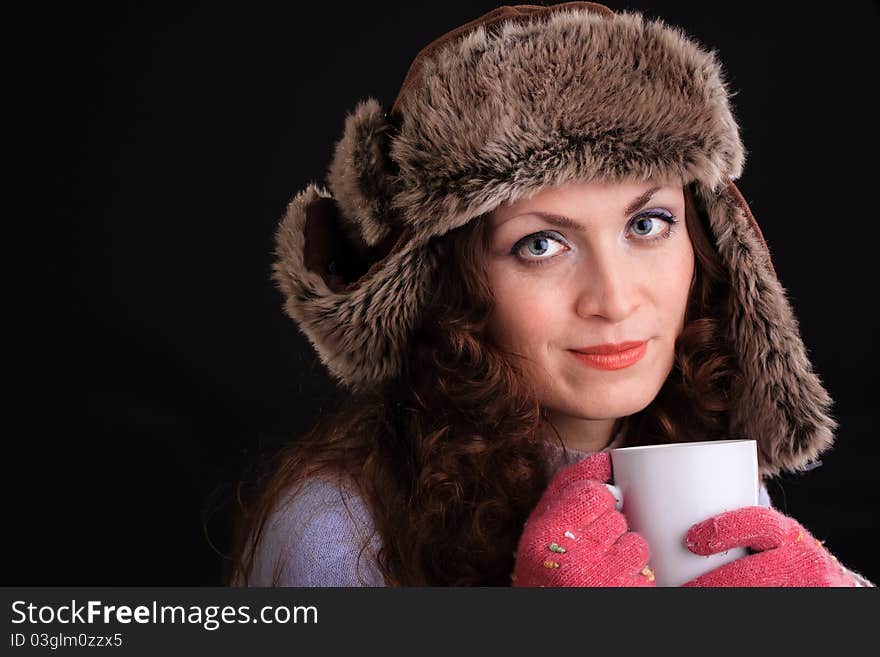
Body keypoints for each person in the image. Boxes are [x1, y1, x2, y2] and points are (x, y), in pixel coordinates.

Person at [225, 2, 874, 587]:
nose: (615, 301)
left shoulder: (712, 483)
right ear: (448, 285)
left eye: (646, 224)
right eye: (541, 244)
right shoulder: (337, 528)